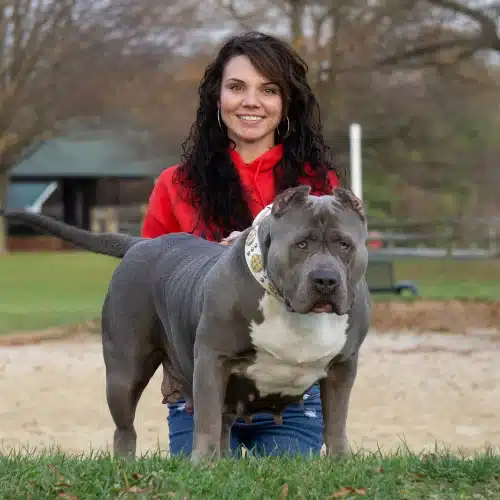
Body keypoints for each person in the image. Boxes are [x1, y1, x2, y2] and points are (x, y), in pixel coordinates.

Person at [141, 31, 344, 458]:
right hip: (202, 391)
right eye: (237, 87)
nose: (251, 101)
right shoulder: (174, 186)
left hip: (290, 391)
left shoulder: (319, 187)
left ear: (286, 103)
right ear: (217, 97)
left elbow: (337, 278)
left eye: (268, 90)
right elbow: (150, 289)